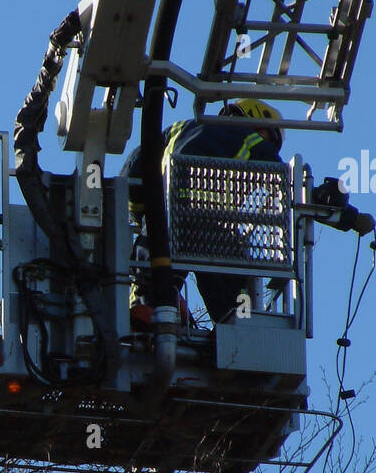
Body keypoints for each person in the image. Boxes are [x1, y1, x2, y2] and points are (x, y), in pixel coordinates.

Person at [120, 99, 284, 327]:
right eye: (271, 138)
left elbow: (135, 167)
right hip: (213, 227)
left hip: (166, 218)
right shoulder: (250, 138)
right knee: (232, 296)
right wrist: (327, 201)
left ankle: (145, 305)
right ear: (257, 121)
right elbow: (282, 181)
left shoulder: (179, 128)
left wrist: (142, 214)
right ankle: (238, 327)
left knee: (151, 269)